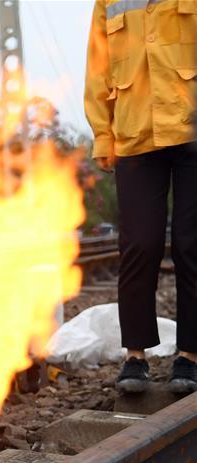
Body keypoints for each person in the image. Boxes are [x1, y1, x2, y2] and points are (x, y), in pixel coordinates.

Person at [84, 0, 197, 393]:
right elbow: (97, 68)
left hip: (191, 127)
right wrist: (103, 133)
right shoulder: (109, 2)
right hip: (135, 131)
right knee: (139, 244)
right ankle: (135, 356)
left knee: (191, 242)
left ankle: (190, 356)